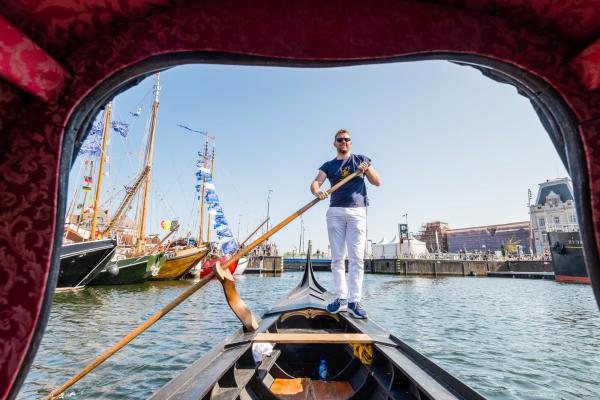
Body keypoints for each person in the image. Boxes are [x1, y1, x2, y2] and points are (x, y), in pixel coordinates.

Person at [310, 129, 381, 318]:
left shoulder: (361, 160)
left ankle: (354, 301)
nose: (343, 142)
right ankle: (341, 298)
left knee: (357, 258)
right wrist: (318, 192)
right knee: (337, 258)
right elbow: (316, 183)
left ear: (351, 142)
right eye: (340, 140)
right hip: (335, 211)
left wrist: (367, 169)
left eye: (347, 139)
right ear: (335, 143)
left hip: (357, 211)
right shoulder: (328, 165)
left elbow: (377, 182)